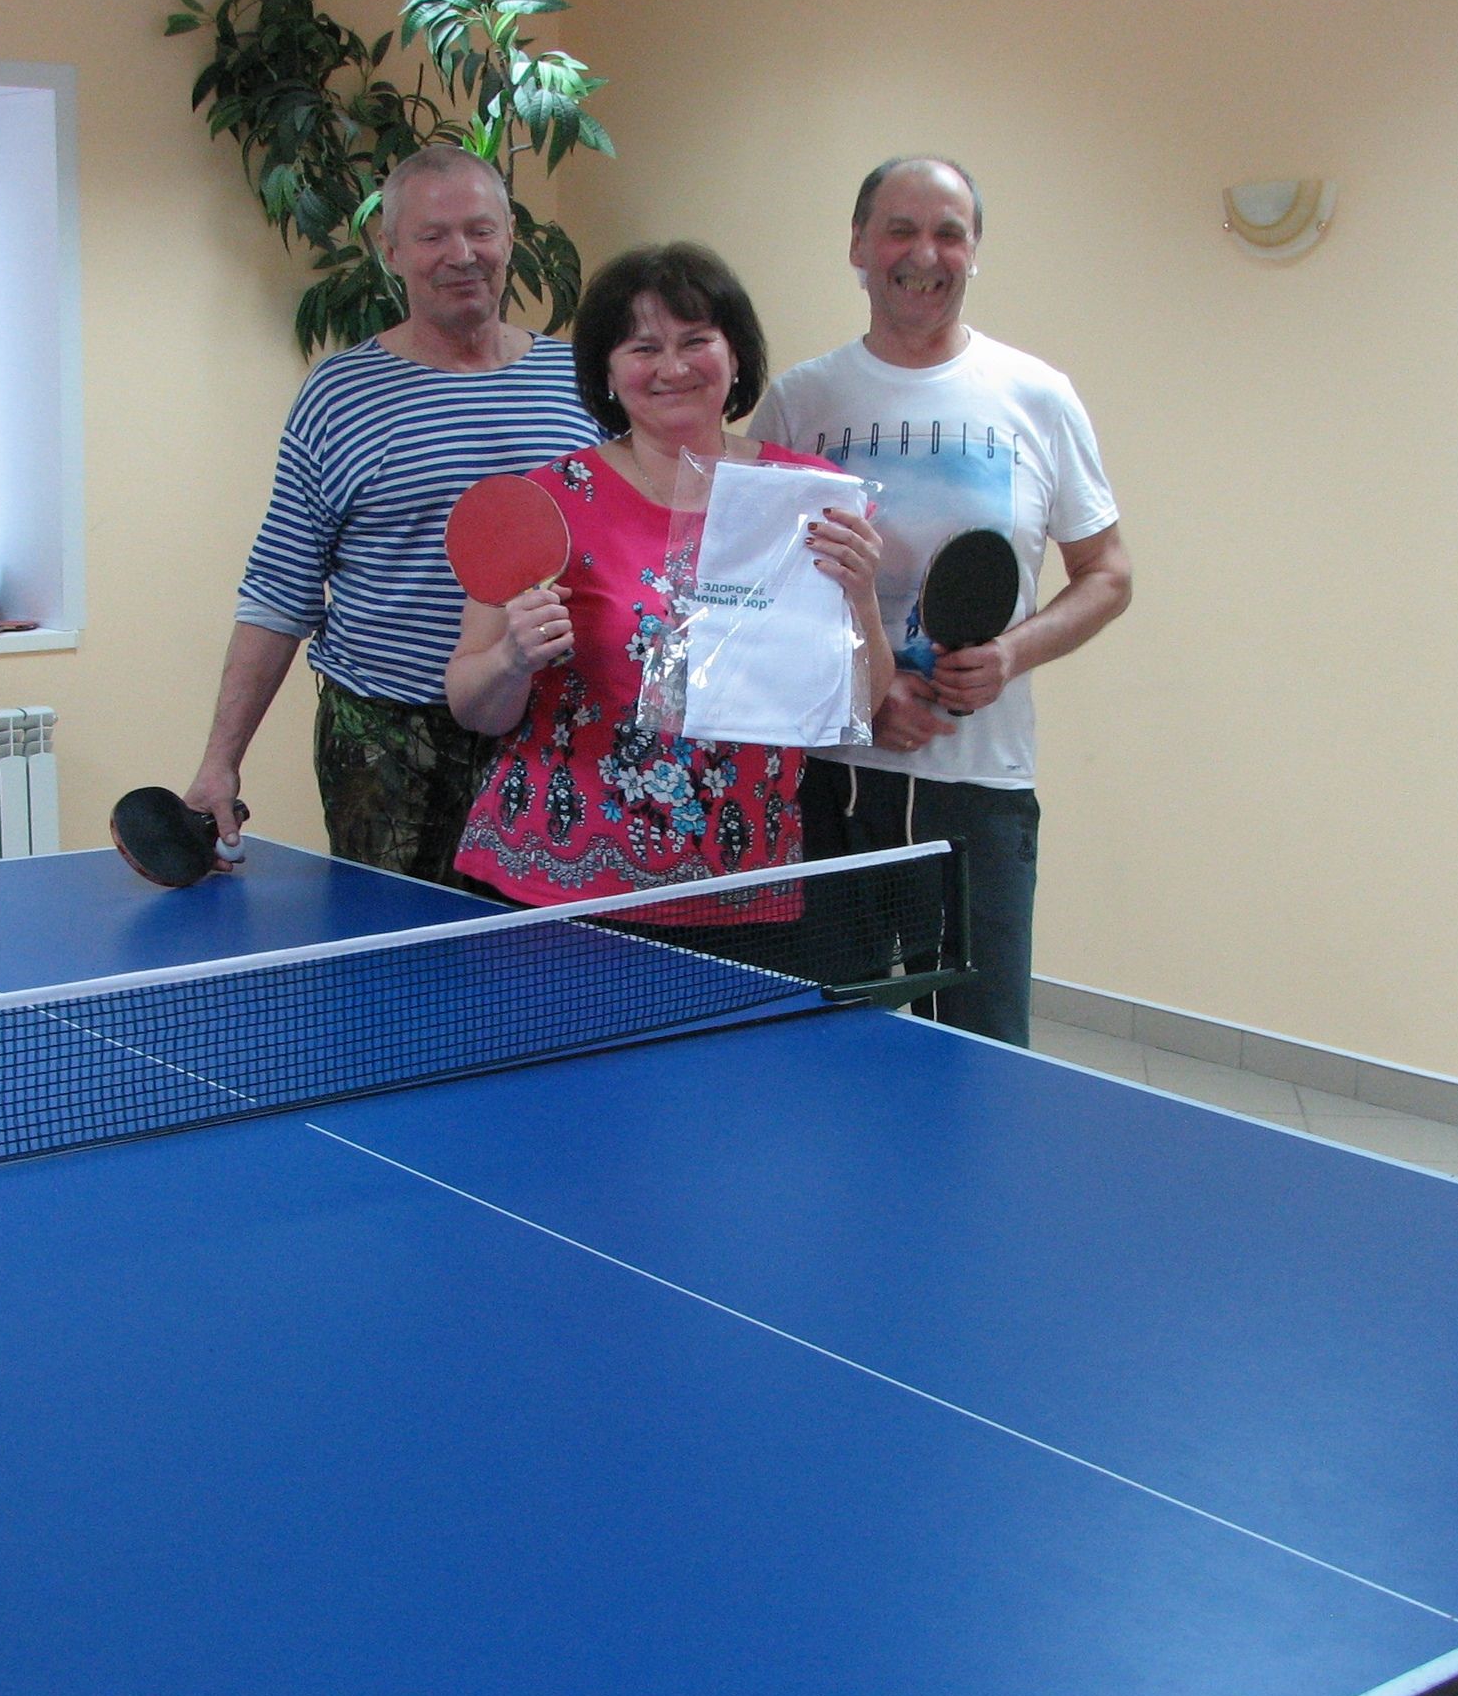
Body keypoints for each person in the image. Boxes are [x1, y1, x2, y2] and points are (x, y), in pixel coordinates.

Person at [750, 156, 1133, 1045]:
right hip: (832, 784)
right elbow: (757, 598)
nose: (925, 254)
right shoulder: (801, 402)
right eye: (901, 230)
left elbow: (1108, 573)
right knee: (825, 1052)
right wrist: (863, 694)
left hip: (981, 792)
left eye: (948, 234)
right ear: (858, 245)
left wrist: (1011, 654)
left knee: (981, 1057)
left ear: (974, 251)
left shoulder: (1037, 397)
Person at [183, 147, 599, 883]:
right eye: (433, 236)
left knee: (540, 951)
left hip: (552, 726)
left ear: (510, 236)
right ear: (392, 250)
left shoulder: (581, 382)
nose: (461, 255)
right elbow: (280, 590)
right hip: (387, 743)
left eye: (480, 230)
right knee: (395, 948)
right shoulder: (339, 395)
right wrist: (221, 762)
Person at [445, 242, 887, 910]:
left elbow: (859, 707)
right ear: (607, 371)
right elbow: (472, 706)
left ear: (735, 355)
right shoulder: (545, 503)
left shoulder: (812, 499)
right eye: (643, 348)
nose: (673, 367)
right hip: (558, 884)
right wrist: (512, 658)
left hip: (743, 882)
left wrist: (863, 596)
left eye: (695, 340)